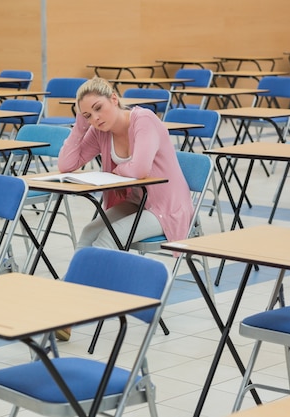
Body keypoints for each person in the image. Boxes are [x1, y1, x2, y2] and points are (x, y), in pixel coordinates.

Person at [55, 77, 193, 341]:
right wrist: (79, 126)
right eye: (88, 115)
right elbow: (66, 164)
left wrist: (117, 171)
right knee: (89, 232)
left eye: (98, 108)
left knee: (108, 238)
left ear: (114, 99)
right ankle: (67, 302)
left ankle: (67, 309)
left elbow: (140, 168)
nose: (95, 118)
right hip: (134, 202)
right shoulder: (99, 131)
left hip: (166, 207)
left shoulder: (144, 120)